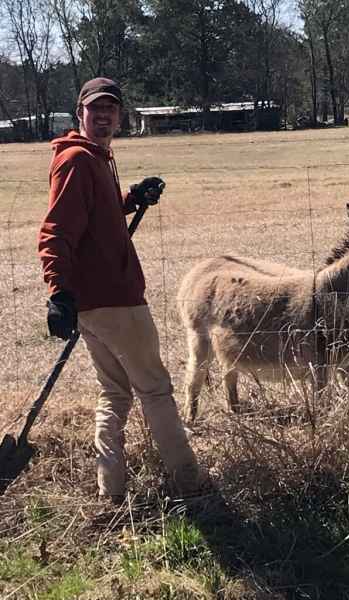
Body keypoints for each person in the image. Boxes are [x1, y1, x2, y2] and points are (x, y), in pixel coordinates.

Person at [38, 77, 205, 504]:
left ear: (120, 116)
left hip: (94, 302)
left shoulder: (96, 157)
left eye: (111, 110)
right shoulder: (78, 159)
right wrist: (58, 291)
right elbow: (56, 230)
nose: (105, 116)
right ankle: (191, 485)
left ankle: (110, 492)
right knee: (155, 389)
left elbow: (97, 214)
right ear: (81, 113)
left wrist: (132, 198)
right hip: (115, 299)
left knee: (114, 391)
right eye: (97, 110)